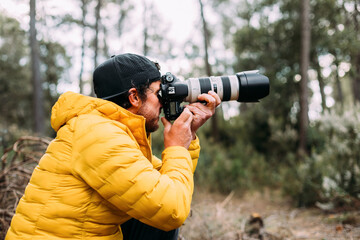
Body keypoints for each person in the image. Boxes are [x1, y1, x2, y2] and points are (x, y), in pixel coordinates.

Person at [5, 53, 221, 240]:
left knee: (153, 215)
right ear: (134, 96)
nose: (163, 103)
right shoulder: (98, 133)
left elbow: (166, 184)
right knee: (159, 215)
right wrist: (177, 149)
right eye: (158, 94)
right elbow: (171, 209)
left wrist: (188, 137)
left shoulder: (112, 132)